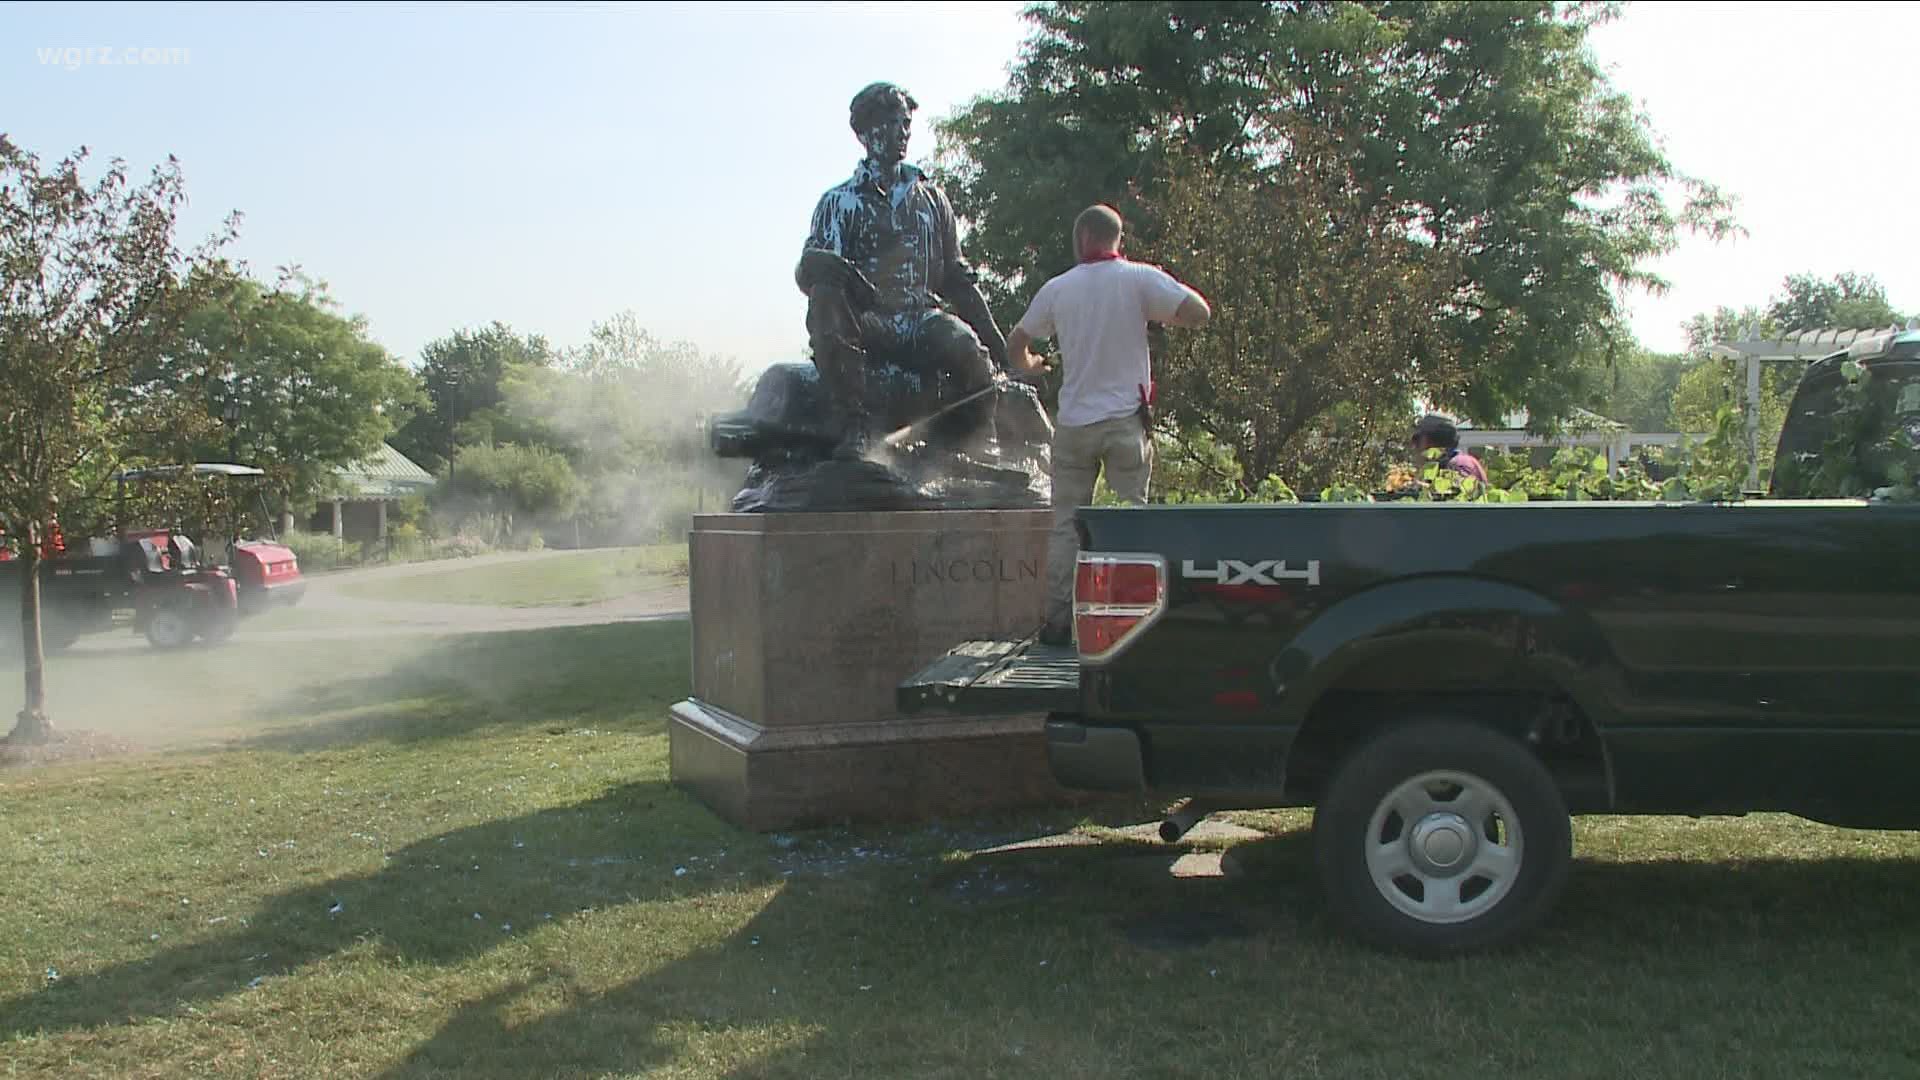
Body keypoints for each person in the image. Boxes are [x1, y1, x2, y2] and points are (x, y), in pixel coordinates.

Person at [1005, 204, 1211, 646]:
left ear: (1082, 240)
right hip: (1124, 425)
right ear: (1118, 239)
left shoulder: (1059, 289)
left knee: (1065, 526)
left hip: (1075, 425)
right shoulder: (1139, 278)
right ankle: (1127, 625)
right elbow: (1199, 311)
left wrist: (1031, 367)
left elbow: (1017, 342)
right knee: (1130, 522)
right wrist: (1161, 318)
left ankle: (1058, 623)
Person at [795, 82, 1010, 459]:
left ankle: (978, 442)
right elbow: (812, 275)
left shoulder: (931, 199)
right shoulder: (839, 202)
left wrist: (1000, 347)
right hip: (868, 323)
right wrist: (811, 268)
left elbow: (957, 279)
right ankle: (856, 424)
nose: (902, 133)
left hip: (920, 319)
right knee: (826, 297)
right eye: (892, 123)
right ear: (864, 134)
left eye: (906, 124)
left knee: (966, 348)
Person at [1410, 414, 1489, 483]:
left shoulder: (1457, 465)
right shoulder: (1463, 461)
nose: (1414, 447)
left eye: (1417, 440)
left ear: (1431, 444)